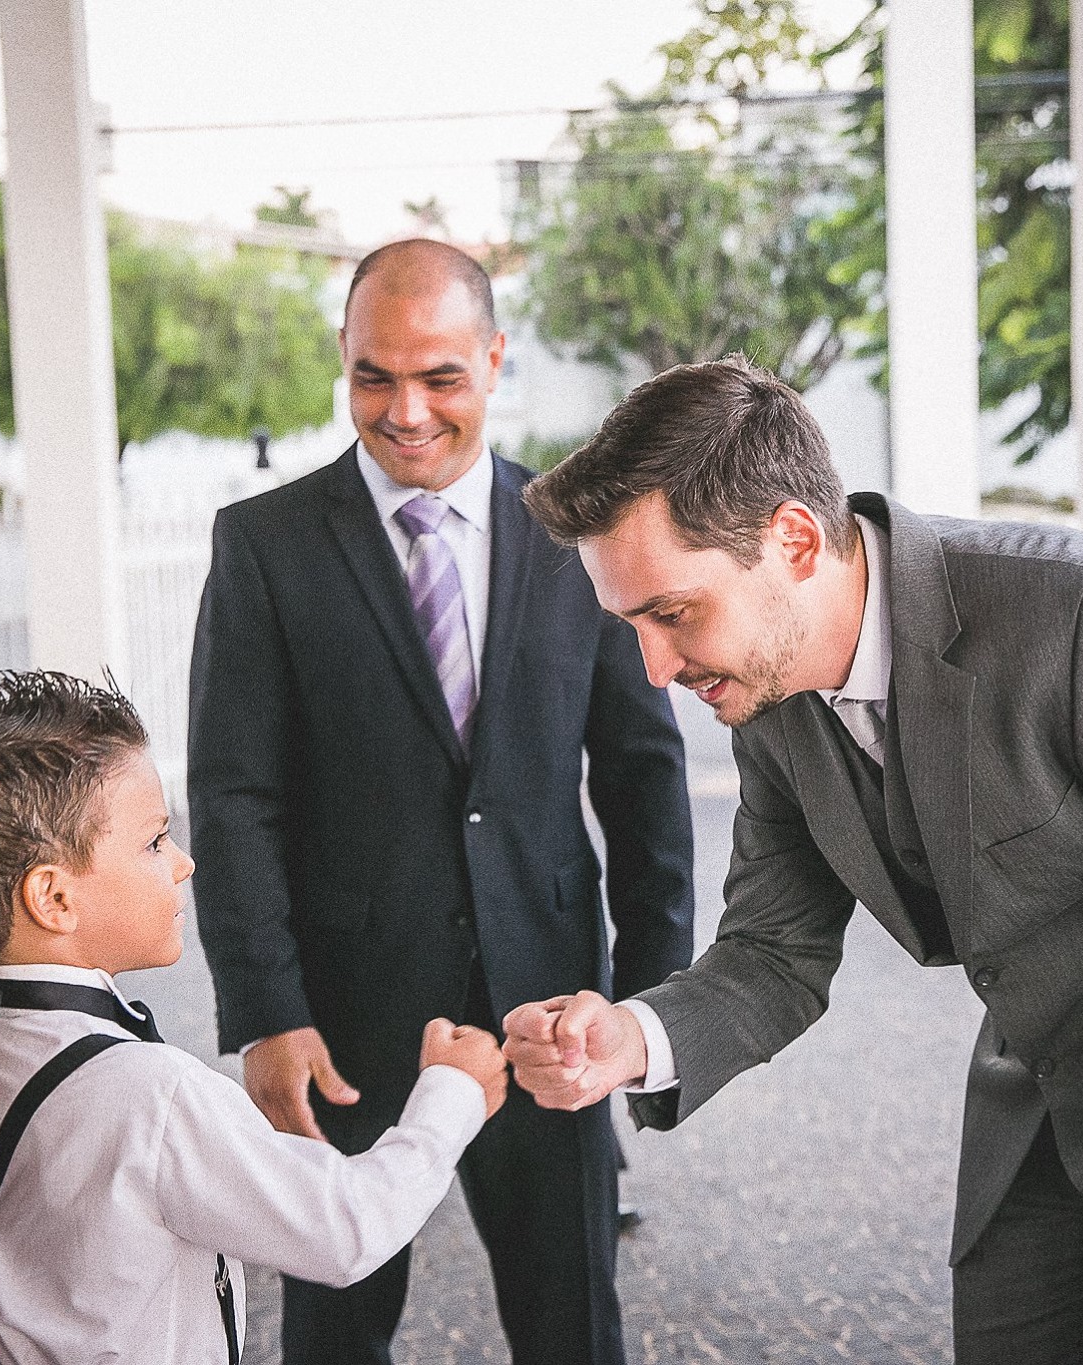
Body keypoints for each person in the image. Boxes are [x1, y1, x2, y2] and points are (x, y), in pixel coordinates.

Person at [501, 355, 1083, 1365]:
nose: (654, 668)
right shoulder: (768, 698)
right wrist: (628, 1036)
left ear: (792, 540)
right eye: (632, 627)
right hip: (1046, 1107)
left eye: (671, 614)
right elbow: (772, 955)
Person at [187, 239, 695, 1365]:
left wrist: (655, 1010)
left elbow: (643, 776)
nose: (405, 411)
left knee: (573, 1326)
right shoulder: (264, 546)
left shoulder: (581, 534)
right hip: (345, 1024)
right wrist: (266, 1014)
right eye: (374, 376)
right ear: (343, 355)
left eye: (440, 377)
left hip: (551, 1010)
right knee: (334, 1332)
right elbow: (232, 799)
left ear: (495, 359)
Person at [0, 671, 509, 1365]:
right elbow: (347, 1228)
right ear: (53, 899)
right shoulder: (157, 1097)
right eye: (155, 841)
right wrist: (453, 1093)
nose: (184, 863)